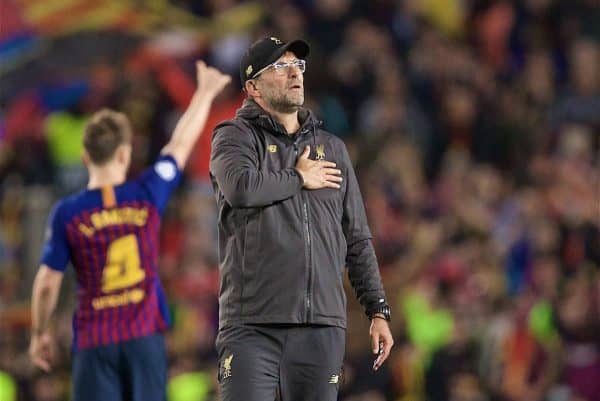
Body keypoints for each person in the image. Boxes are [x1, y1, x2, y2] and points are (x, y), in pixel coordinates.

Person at [28, 61, 231, 401]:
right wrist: (206, 92)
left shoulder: (68, 212)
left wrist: (39, 332)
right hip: (143, 336)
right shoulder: (147, 193)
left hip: (94, 339)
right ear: (124, 154)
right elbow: (179, 145)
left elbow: (48, 282)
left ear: (84, 157)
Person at [209, 37, 394, 401]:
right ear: (253, 87)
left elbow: (356, 237)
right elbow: (241, 188)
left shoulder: (333, 149)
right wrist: (298, 177)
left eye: (298, 66)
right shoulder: (234, 137)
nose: (294, 73)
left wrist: (377, 308)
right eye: (279, 67)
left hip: (321, 325)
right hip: (253, 324)